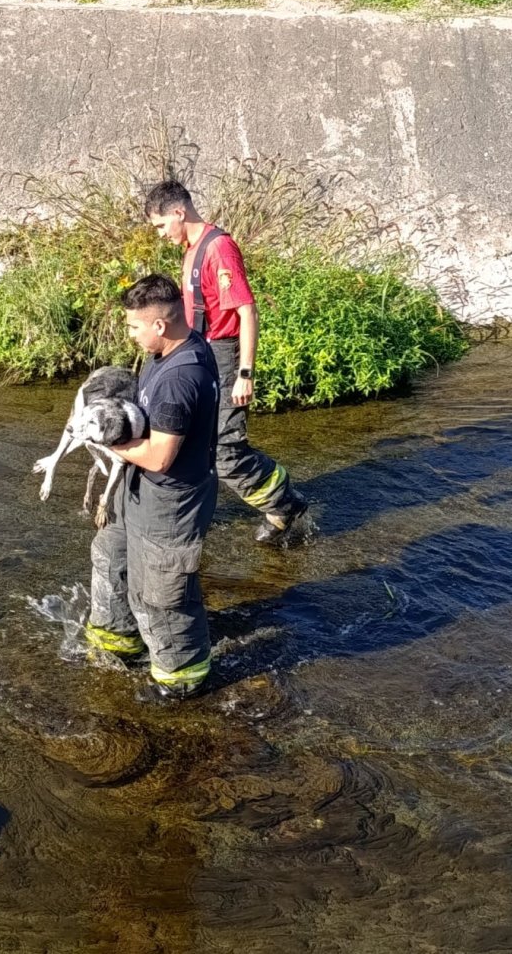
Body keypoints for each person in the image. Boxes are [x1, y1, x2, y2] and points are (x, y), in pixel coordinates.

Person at [144, 179, 308, 544]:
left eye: (160, 225)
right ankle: (192, 516)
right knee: (190, 441)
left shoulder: (220, 249)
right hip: (199, 353)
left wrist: (244, 374)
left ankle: (285, 502)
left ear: (178, 212)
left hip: (225, 357)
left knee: (227, 452)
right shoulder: (191, 251)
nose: (160, 234)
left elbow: (247, 311)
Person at [85, 273, 220, 701]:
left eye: (133, 327)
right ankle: (118, 640)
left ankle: (181, 678)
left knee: (161, 594)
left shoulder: (180, 379)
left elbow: (161, 456)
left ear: (159, 325)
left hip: (171, 500)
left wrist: (108, 439)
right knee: (111, 554)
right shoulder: (170, 349)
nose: (131, 335)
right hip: (138, 488)